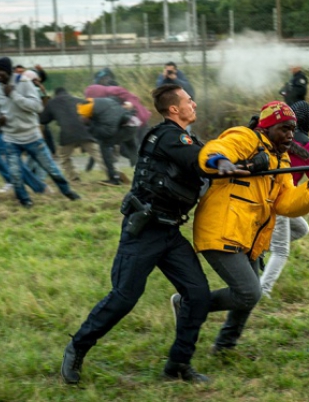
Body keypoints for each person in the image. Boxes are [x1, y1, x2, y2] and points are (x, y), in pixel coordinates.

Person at [61, 84, 211, 384]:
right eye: (188, 100)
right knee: (124, 298)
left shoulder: (185, 139)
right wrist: (227, 162)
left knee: (198, 294)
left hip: (169, 231)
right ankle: (77, 347)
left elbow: (207, 163)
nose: (193, 103)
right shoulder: (168, 136)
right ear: (173, 109)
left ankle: (178, 365)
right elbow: (204, 161)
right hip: (144, 230)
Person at [189, 101, 309, 355]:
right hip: (223, 229)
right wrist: (220, 162)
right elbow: (217, 148)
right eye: (284, 129)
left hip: (251, 235)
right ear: (266, 128)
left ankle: (225, 346)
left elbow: (286, 204)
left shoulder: (282, 159)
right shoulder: (245, 137)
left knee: (248, 295)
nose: (290, 134)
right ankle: (188, 305)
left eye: (293, 129)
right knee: (249, 293)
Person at [260, 100, 309, 298]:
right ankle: (262, 291)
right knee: (281, 251)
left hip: (264, 195)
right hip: (280, 199)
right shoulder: (306, 146)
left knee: (302, 229)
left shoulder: (273, 137)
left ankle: (259, 249)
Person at [0, 57, 80, 207]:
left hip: (32, 136)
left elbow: (37, 106)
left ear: (9, 71)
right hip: (11, 139)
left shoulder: (23, 83)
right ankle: (25, 201)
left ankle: (68, 192)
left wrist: (14, 95)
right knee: (15, 175)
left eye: (1, 72)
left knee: (51, 169)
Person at [40, 87, 106, 182]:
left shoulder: (52, 103)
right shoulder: (78, 100)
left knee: (64, 157)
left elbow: (43, 120)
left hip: (67, 134)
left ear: (55, 94)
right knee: (97, 154)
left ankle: (74, 177)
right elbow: (91, 116)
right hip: (84, 131)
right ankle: (113, 173)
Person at [85, 78, 152, 167]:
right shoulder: (111, 93)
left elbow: (125, 102)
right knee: (134, 147)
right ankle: (142, 164)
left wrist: (129, 104)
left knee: (127, 148)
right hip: (137, 120)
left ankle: (147, 163)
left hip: (135, 121)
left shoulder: (111, 94)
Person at [77, 96, 137, 186]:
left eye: (85, 116)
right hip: (131, 121)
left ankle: (114, 179)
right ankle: (141, 168)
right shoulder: (98, 104)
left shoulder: (105, 116)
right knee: (132, 149)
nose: (83, 117)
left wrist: (90, 126)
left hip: (128, 126)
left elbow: (108, 132)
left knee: (104, 146)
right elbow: (115, 100)